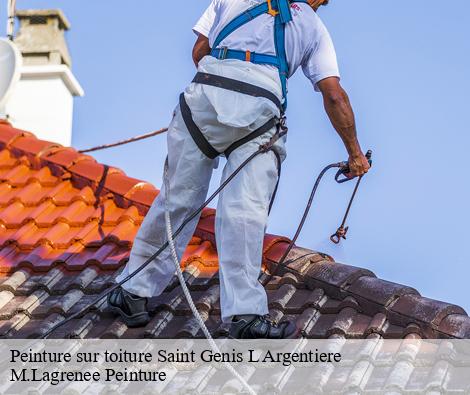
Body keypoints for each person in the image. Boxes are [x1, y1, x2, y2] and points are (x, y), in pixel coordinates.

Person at [108, 0, 370, 339]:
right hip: (259, 113)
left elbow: (200, 50)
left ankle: (132, 291)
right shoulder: (314, 27)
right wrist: (355, 155)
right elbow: (333, 95)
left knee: (177, 200)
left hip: (203, 101)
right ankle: (244, 317)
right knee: (244, 214)